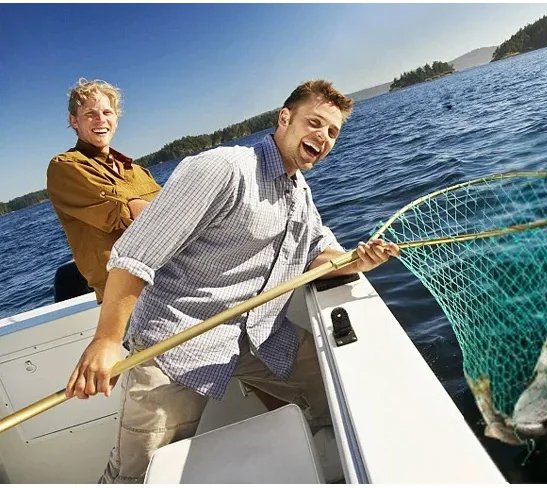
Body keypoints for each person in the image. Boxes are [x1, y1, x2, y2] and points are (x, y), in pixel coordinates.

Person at [65, 80, 400, 483]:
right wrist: (106, 341)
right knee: (136, 475)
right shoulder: (223, 168)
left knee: (343, 392)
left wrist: (357, 260)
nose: (324, 137)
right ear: (284, 118)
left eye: (332, 132)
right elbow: (135, 255)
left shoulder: (300, 193)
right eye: (314, 123)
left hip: (257, 337)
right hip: (175, 344)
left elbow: (317, 254)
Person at [47, 79, 161, 303]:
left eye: (107, 112)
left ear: (116, 118)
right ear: (74, 120)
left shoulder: (138, 171)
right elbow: (126, 211)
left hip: (172, 277)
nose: (101, 119)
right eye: (90, 114)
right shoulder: (66, 167)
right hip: (128, 296)